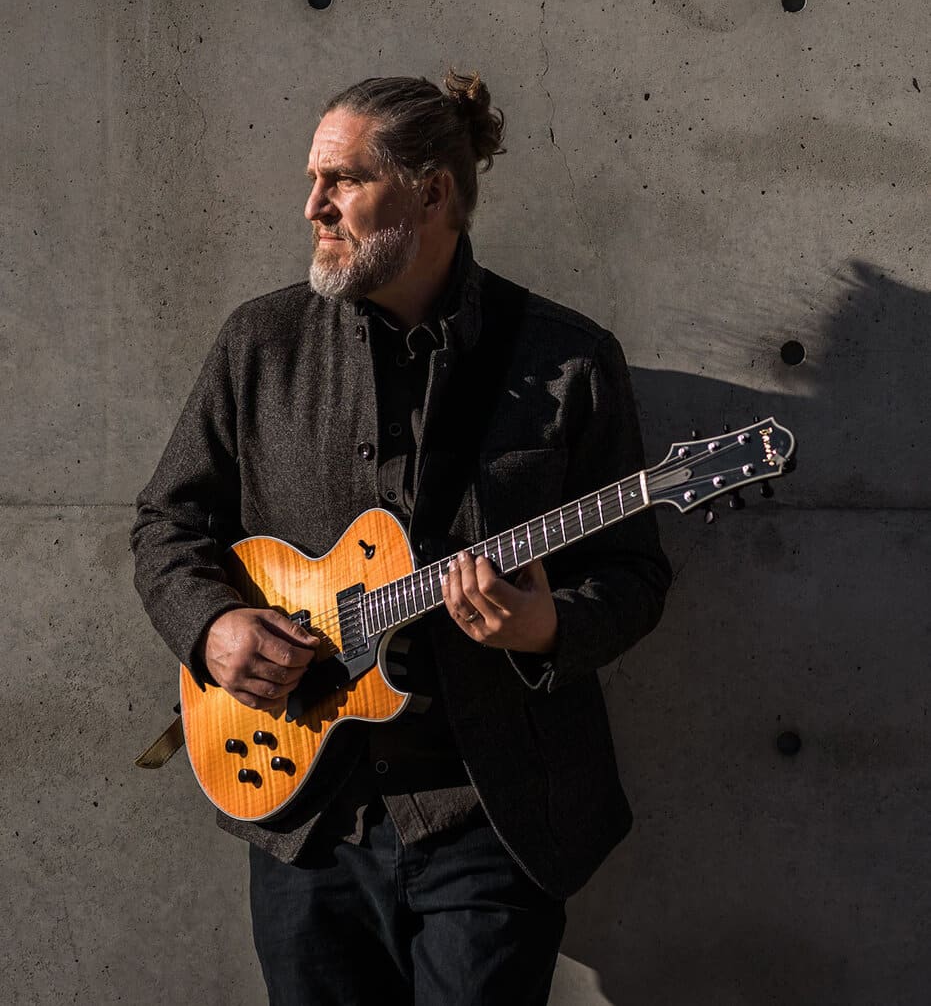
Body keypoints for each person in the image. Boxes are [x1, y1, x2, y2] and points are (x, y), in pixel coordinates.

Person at [132, 71, 671, 1006]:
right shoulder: (259, 344)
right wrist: (214, 627)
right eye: (313, 180)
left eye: (342, 179)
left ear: (431, 192)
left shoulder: (568, 360)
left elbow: (633, 573)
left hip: (489, 818)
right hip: (305, 822)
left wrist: (544, 626)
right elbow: (166, 524)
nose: (313, 206)